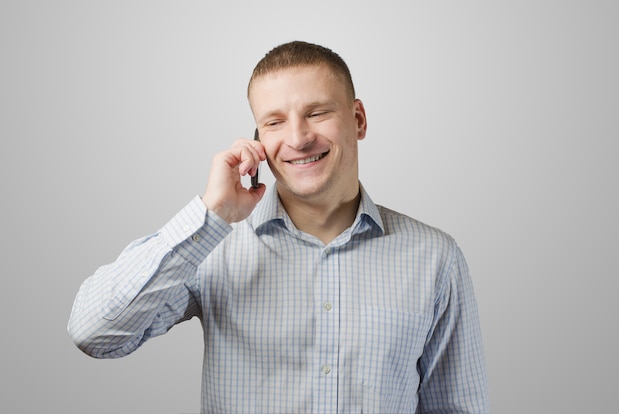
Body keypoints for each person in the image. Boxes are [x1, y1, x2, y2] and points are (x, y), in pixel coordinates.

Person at [68, 40, 490, 413]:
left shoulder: (435, 257)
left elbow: (457, 406)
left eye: (317, 112)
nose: (298, 137)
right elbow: (95, 334)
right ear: (257, 140)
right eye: (274, 122)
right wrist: (212, 213)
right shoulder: (213, 247)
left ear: (358, 119)